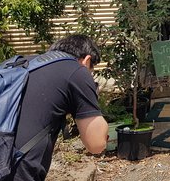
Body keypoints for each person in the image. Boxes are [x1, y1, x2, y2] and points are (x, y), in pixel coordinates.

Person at [11, 34, 108, 180]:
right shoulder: (77, 70)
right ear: (87, 61)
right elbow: (96, 144)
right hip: (17, 170)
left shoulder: (21, 64)